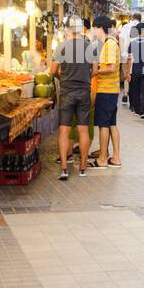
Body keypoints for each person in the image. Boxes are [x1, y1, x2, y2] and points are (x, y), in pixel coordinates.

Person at [50, 18, 93, 179]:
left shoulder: (62, 47)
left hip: (67, 91)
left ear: (68, 30)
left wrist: (64, 73)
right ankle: (82, 167)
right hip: (84, 91)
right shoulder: (90, 47)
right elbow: (94, 70)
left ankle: (64, 168)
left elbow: (52, 70)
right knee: (83, 129)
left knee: (64, 130)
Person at [90, 16, 121, 168]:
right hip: (111, 90)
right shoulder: (110, 43)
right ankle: (115, 158)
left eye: (94, 28)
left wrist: (95, 72)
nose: (93, 31)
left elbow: (111, 68)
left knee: (103, 125)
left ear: (99, 27)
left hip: (106, 90)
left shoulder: (109, 44)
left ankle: (102, 159)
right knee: (111, 124)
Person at [127, 22, 144, 118]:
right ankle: (143, 111)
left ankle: (137, 110)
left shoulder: (132, 43)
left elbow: (130, 59)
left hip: (136, 68)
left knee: (136, 89)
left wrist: (128, 72)